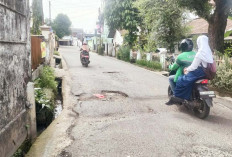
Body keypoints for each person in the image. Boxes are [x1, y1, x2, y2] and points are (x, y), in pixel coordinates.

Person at [166, 35, 213, 105]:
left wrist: (186, 69)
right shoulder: (208, 53)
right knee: (187, 81)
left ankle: (177, 97)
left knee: (181, 80)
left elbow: (193, 67)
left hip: (197, 72)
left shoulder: (199, 54)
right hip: (205, 73)